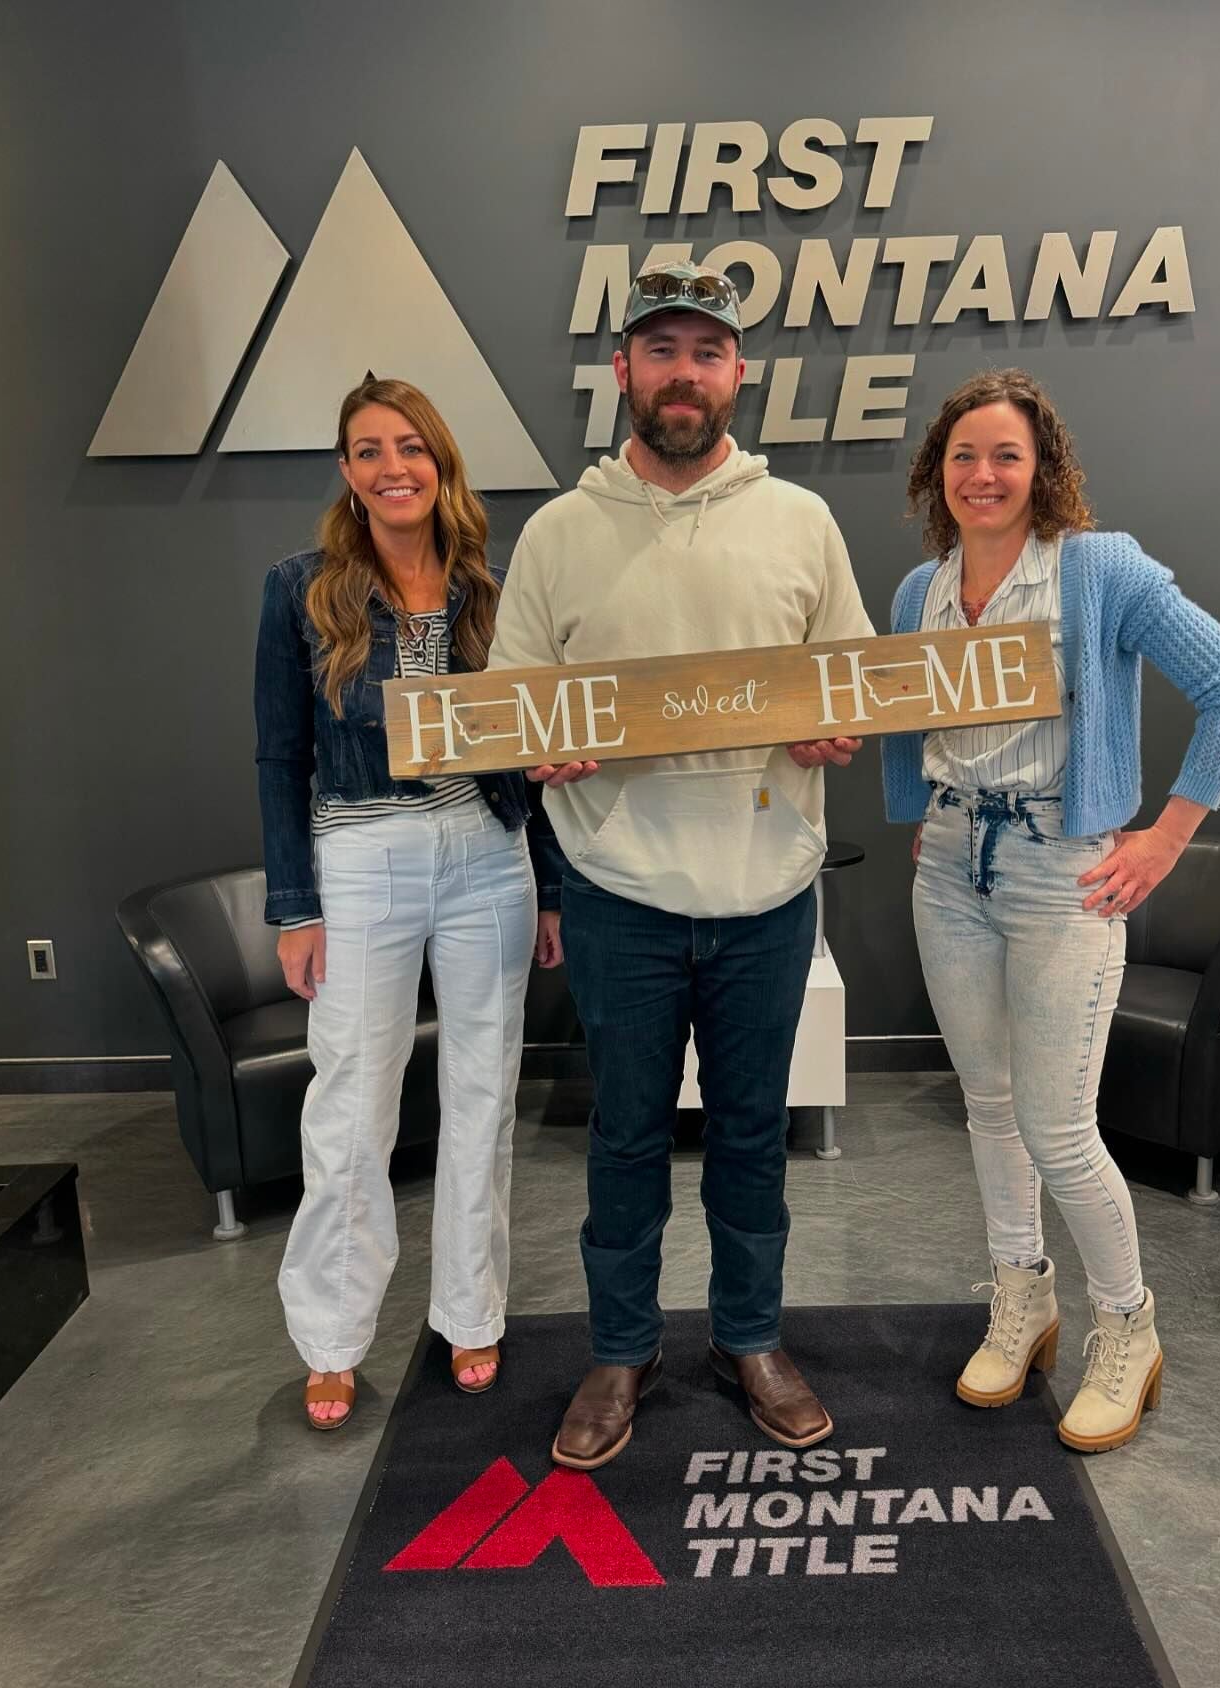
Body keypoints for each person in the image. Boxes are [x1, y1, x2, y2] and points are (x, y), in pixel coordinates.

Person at [488, 261, 873, 1469]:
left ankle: (750, 1336)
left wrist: (834, 728)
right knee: (626, 1142)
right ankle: (622, 1347)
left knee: (753, 1136)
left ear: (739, 373)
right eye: (661, 351)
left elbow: (849, 681)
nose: (684, 374)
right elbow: (508, 703)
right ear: (623, 374)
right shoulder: (557, 532)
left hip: (767, 893)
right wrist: (534, 745)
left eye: (707, 352)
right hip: (620, 895)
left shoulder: (801, 519)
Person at [882, 368, 1220, 1452]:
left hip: (1066, 864)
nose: (984, 474)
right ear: (938, 472)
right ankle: (1024, 1297)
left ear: (1043, 467)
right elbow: (915, 715)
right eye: (964, 455)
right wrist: (933, 807)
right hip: (954, 861)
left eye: (1006, 454)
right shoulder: (923, 591)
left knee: (1057, 1122)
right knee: (991, 1107)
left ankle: (1128, 1328)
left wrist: (1162, 838)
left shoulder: (1098, 569)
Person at [254, 376, 563, 1430]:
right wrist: (294, 904)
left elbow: (531, 741)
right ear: (346, 471)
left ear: (441, 462)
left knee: (484, 1091)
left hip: (490, 851)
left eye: (411, 447)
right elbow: (278, 753)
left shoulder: (494, 586)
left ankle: (471, 1308)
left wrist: (552, 885)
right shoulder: (302, 589)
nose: (394, 466)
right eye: (369, 449)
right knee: (351, 1103)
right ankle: (332, 1336)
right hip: (361, 853)